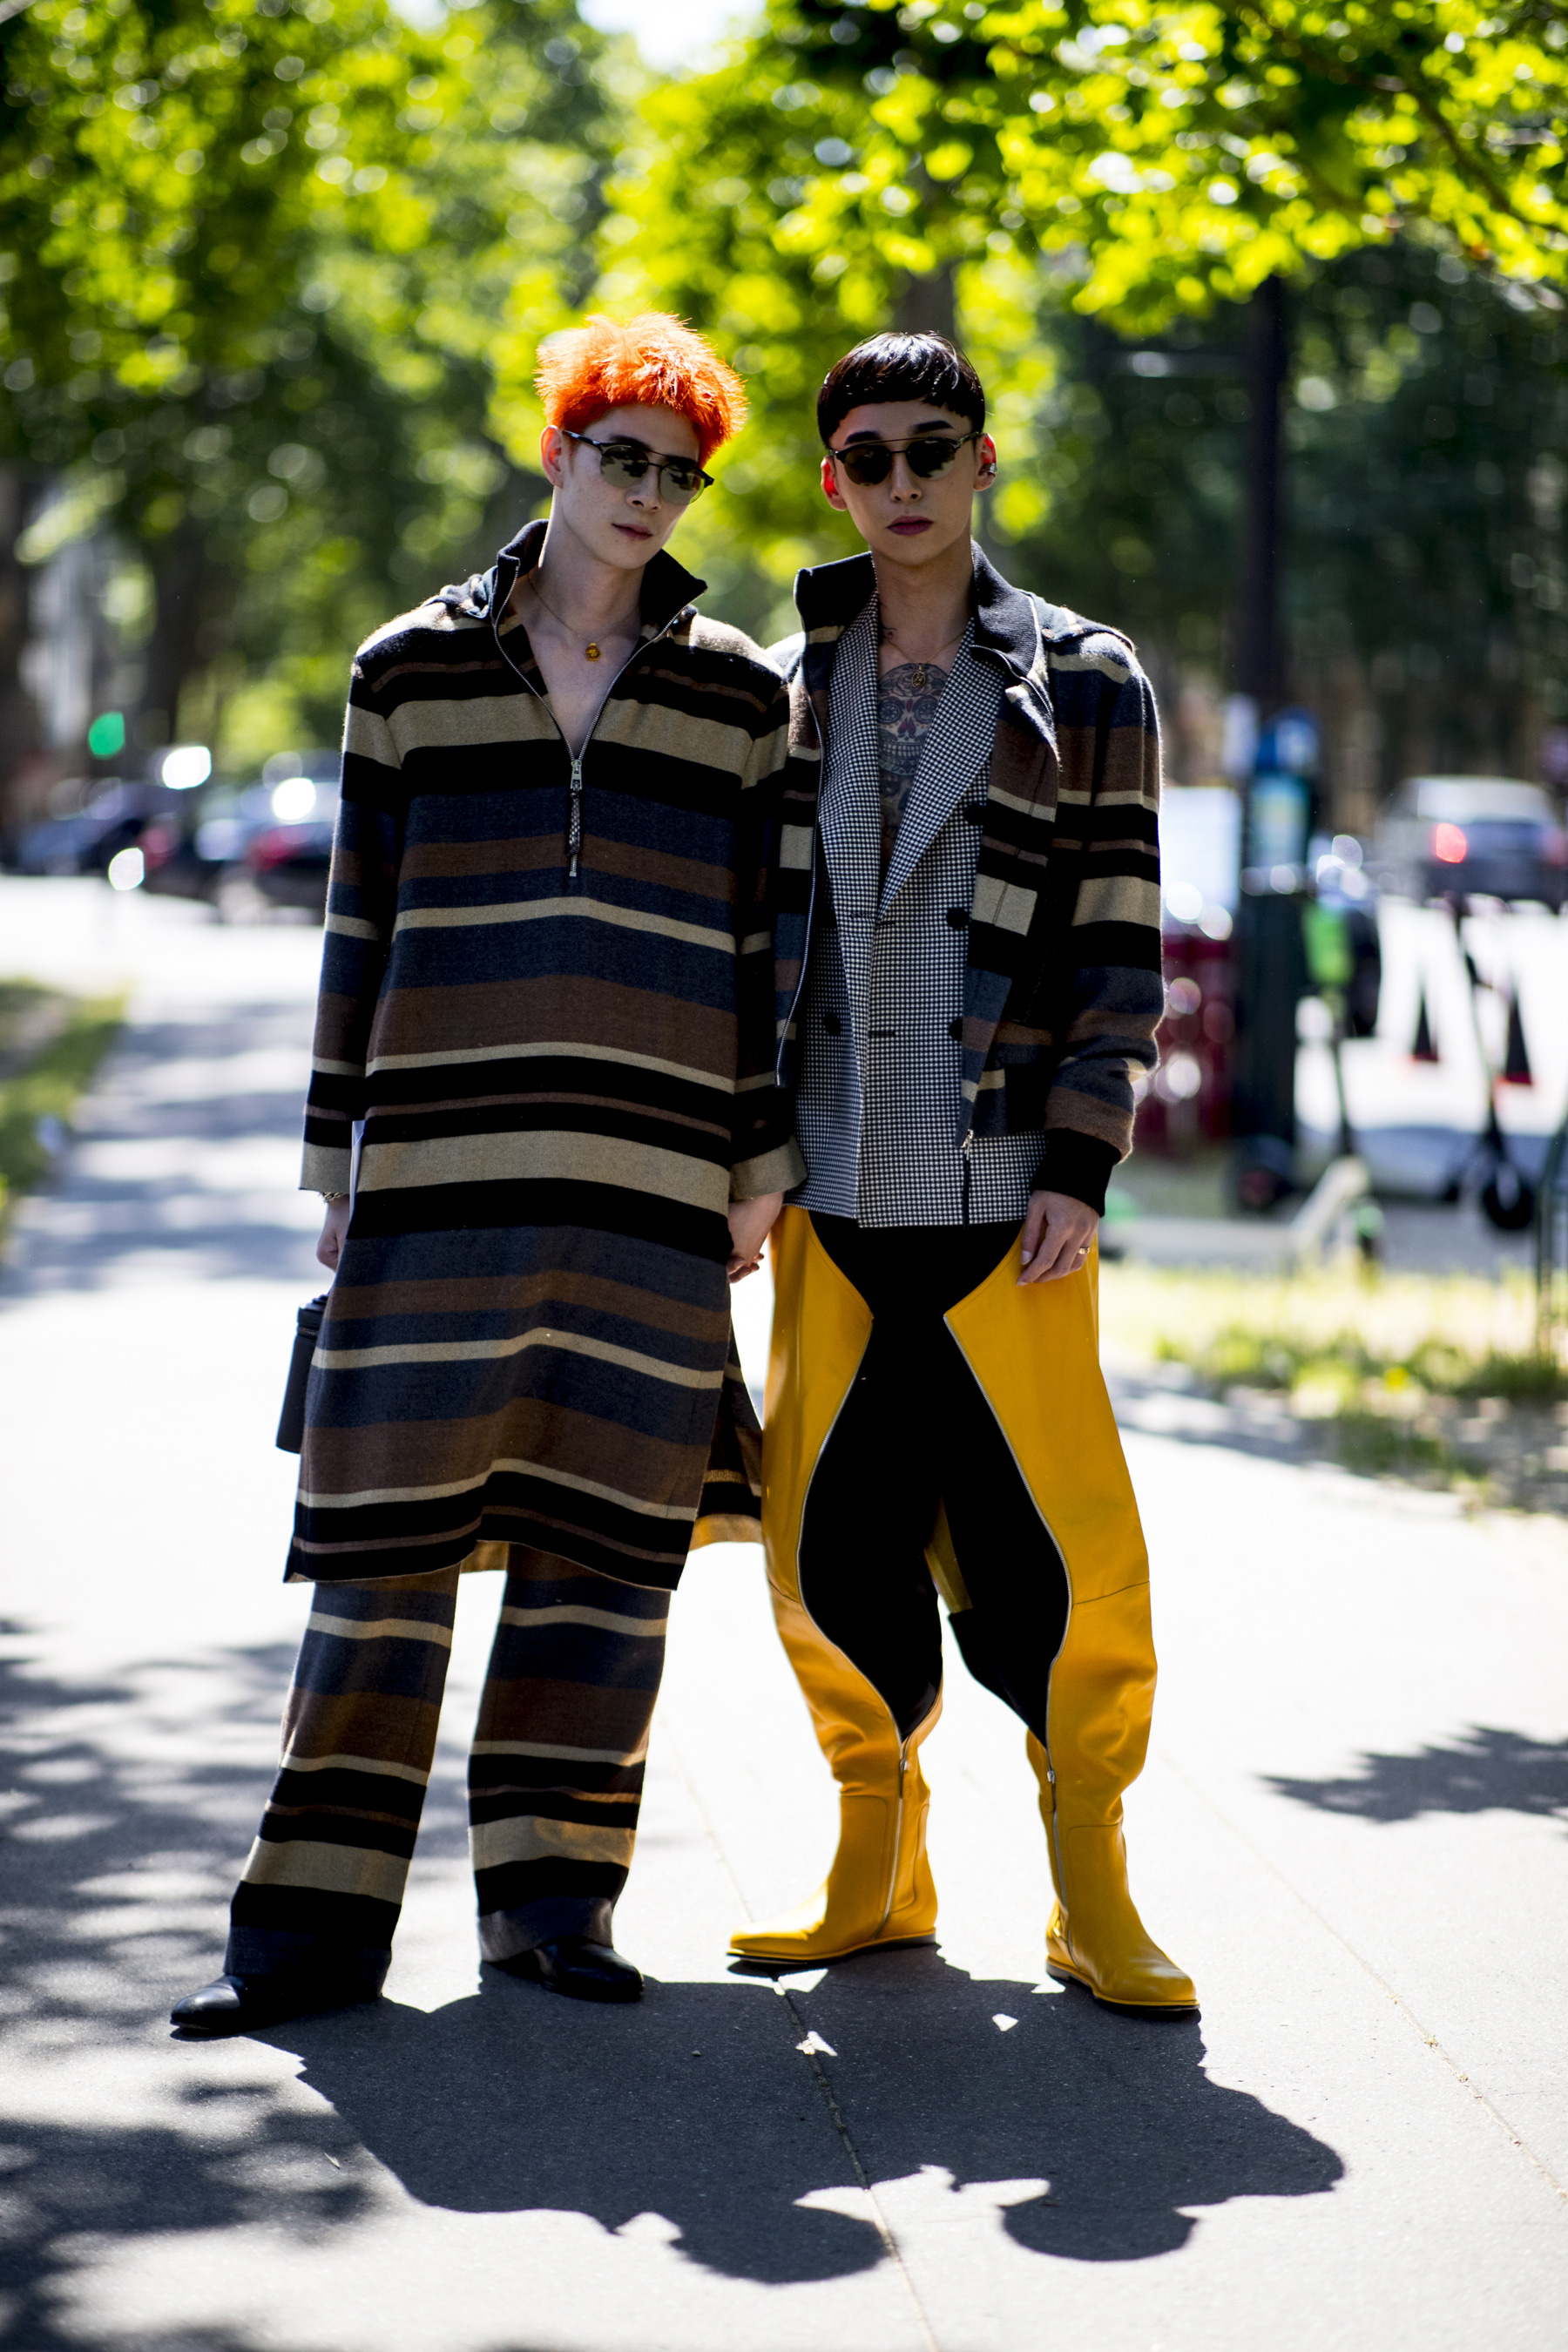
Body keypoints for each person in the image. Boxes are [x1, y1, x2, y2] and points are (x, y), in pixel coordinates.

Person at [173, 314, 801, 2034]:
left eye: (683, 475)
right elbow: (354, 926)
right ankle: (305, 1940)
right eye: (625, 459)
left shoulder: (747, 698)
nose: (652, 497)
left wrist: (758, 1165)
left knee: (609, 1557)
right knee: (379, 1560)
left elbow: (768, 950)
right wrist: (334, 1159)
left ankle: (552, 1907)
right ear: (559, 453)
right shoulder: (406, 672)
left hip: (653, 1179)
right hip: (435, 1174)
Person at [729, 330, 1196, 2013]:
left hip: (1012, 1206)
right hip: (834, 1194)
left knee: (1055, 1559)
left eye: (934, 449)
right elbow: (747, 951)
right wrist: (753, 1157)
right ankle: (879, 1862)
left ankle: (1091, 1884)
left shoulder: (1084, 677)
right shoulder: (784, 681)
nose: (903, 482)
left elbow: (1118, 936)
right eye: (868, 456)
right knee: (826, 1549)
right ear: (834, 477)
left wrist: (1085, 1155)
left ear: (984, 461)